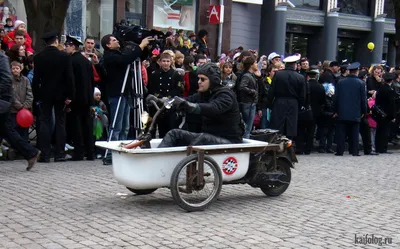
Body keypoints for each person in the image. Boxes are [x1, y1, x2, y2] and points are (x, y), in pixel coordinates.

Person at [156, 63, 244, 147]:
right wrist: (160, 101)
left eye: (202, 79)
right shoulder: (203, 94)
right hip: (210, 138)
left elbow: (214, 108)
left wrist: (193, 107)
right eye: (198, 79)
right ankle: (159, 160)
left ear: (213, 80)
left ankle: (189, 162)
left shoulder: (226, 94)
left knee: (202, 139)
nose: (199, 82)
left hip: (230, 141)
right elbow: (187, 100)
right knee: (175, 133)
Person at [32, 30, 75, 163]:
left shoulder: (39, 57)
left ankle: (44, 154)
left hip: (45, 93)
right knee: (60, 123)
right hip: (61, 94)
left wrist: (37, 95)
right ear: (56, 41)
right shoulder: (64, 56)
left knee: (44, 121)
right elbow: (69, 77)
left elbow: (36, 79)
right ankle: (59, 153)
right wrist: (70, 95)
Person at [101, 34, 151, 141]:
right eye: (114, 40)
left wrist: (145, 48)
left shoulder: (119, 53)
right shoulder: (109, 56)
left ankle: (122, 146)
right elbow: (126, 59)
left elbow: (134, 57)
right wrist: (140, 46)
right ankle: (112, 152)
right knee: (117, 126)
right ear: (108, 45)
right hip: (117, 94)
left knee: (125, 127)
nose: (117, 41)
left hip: (126, 93)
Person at [0, 52, 40, 170]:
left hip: (3, 101)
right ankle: (31, 153)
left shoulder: (1, 58)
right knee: (7, 131)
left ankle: (31, 153)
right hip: (4, 101)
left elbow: (6, 80)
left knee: (7, 131)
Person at [64, 36, 95, 161]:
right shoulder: (86, 61)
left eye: (67, 46)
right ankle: (90, 152)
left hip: (76, 98)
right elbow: (91, 81)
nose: (65, 48)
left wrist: (69, 97)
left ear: (72, 47)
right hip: (87, 97)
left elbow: (70, 80)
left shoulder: (71, 61)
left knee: (76, 126)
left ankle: (79, 152)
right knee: (87, 125)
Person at [267, 54, 306, 138]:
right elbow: (302, 95)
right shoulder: (300, 77)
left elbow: (271, 91)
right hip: (293, 103)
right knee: (291, 127)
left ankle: (277, 146)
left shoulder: (278, 75)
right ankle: (288, 146)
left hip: (279, 101)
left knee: (277, 126)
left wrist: (270, 104)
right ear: (295, 65)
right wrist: (299, 105)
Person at [333, 62, 367, 156]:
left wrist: (335, 110)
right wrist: (364, 111)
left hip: (342, 111)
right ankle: (354, 151)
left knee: (341, 133)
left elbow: (336, 98)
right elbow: (363, 100)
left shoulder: (341, 82)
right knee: (354, 133)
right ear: (357, 71)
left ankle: (340, 151)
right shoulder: (361, 83)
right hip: (356, 111)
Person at [375, 73, 397, 154]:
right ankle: (383, 148)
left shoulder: (380, 88)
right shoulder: (390, 90)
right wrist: (393, 116)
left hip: (380, 112)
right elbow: (392, 104)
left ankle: (378, 147)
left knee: (379, 131)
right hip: (387, 114)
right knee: (385, 132)